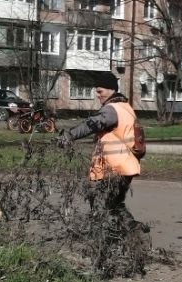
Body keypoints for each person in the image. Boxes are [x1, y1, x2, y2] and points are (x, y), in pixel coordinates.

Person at [59, 70, 142, 226]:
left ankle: (108, 238)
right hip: (124, 168)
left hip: (114, 169)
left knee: (102, 205)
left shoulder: (112, 109)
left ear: (111, 89)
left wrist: (69, 135)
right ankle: (133, 233)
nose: (98, 95)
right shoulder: (125, 107)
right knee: (114, 205)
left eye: (100, 91)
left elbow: (91, 125)